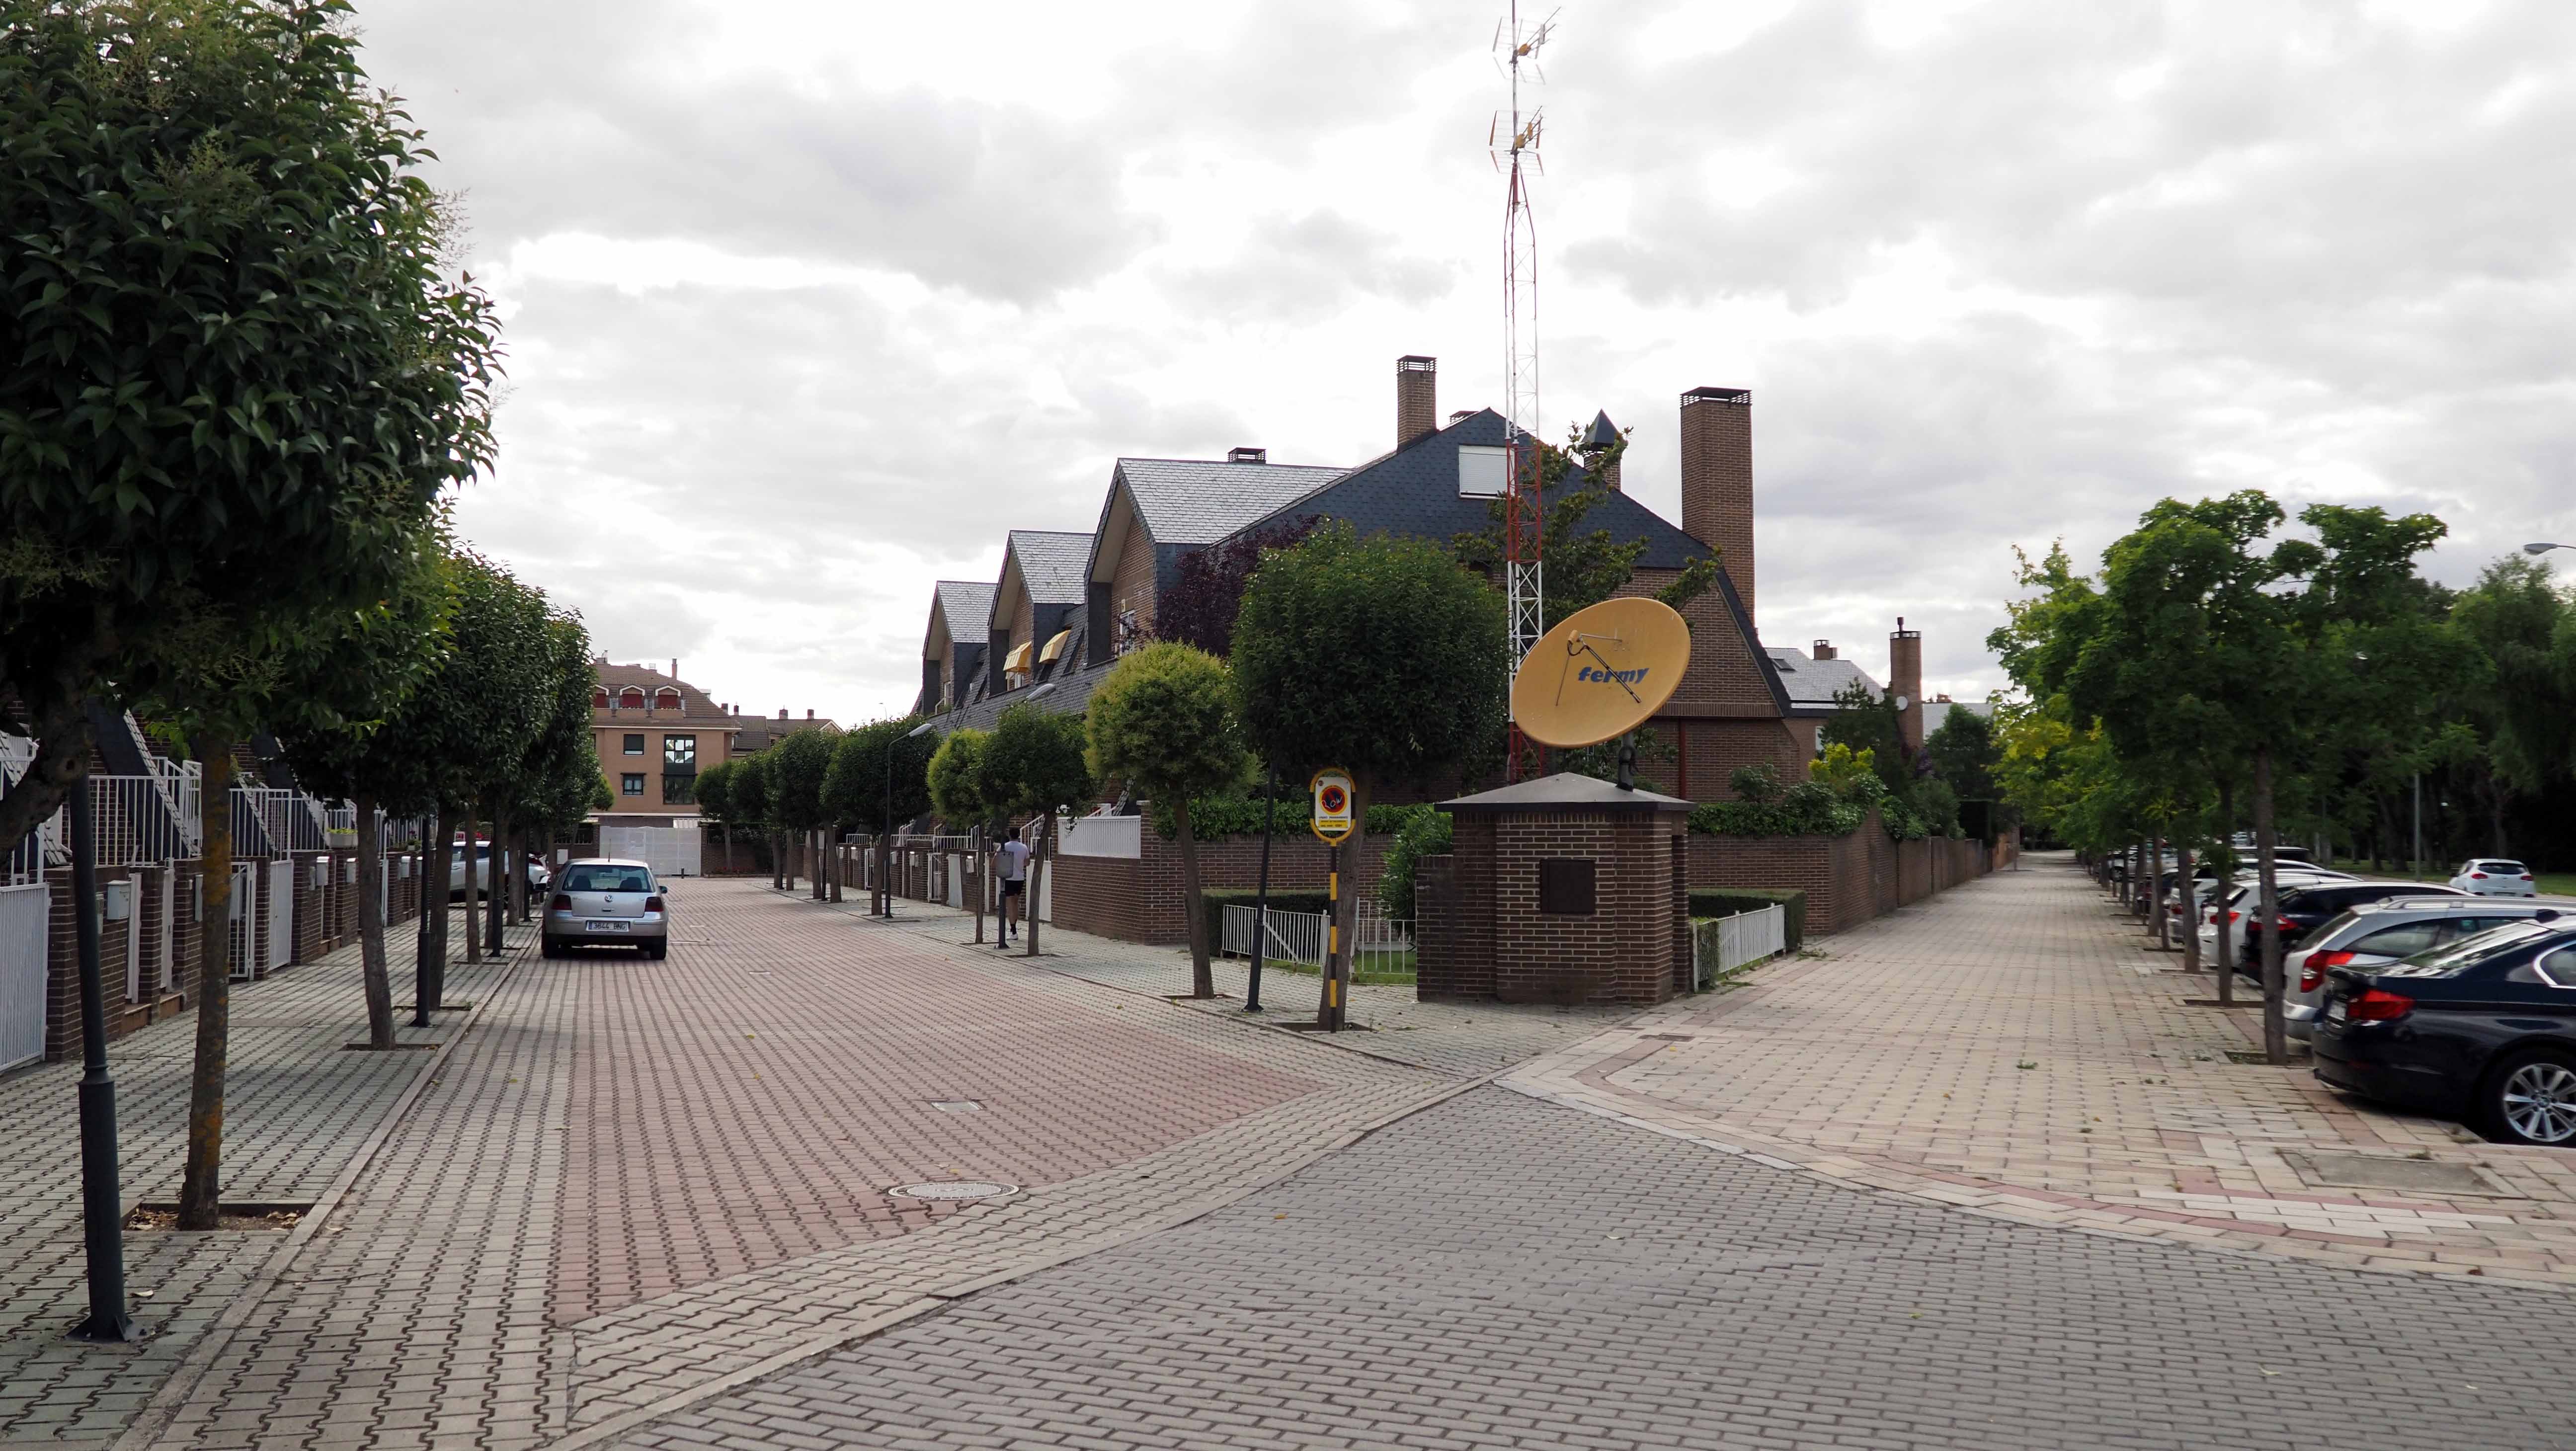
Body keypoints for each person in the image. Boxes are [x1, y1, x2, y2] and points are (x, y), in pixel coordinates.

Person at [995, 824, 1032, 946]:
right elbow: (1027, 863)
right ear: (1019, 835)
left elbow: (994, 862)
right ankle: (1014, 928)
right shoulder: (1024, 848)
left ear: (1009, 835)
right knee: (1015, 903)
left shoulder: (1004, 847)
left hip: (1009, 878)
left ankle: (1013, 931)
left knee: (1010, 905)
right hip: (1020, 879)